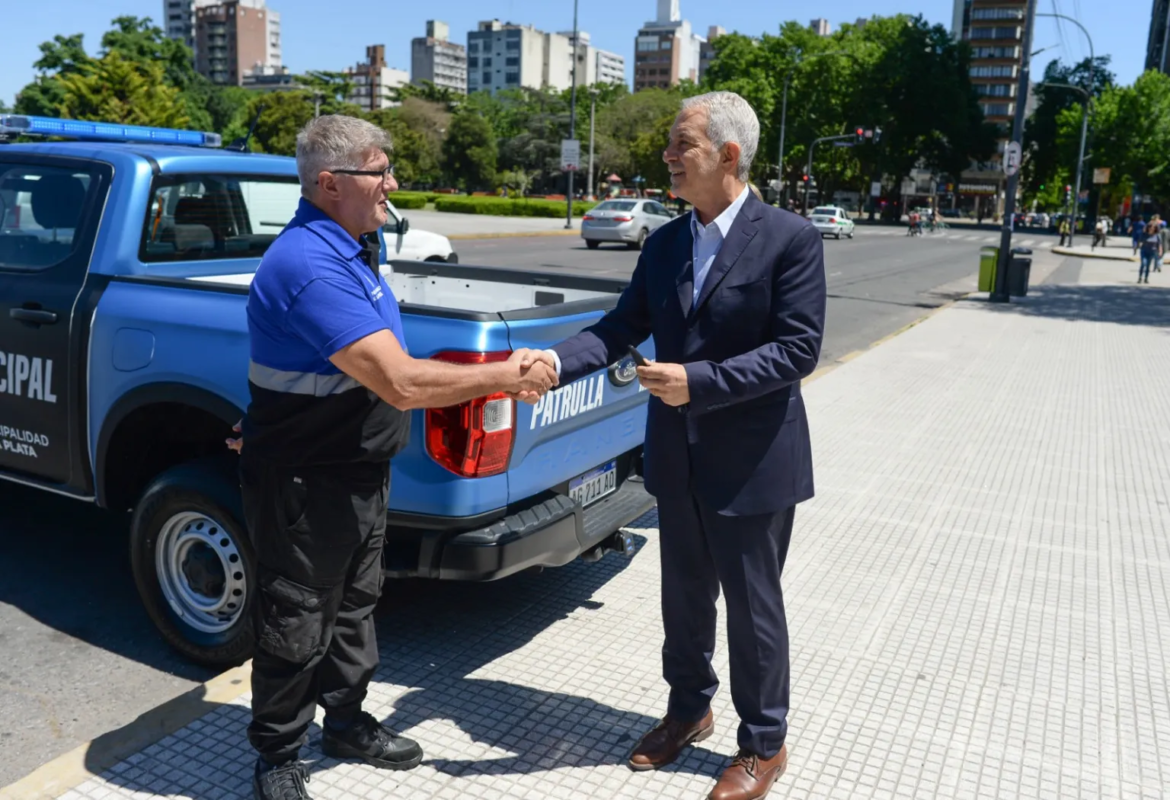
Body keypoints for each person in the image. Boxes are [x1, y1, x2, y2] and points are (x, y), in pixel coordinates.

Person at [228, 114, 557, 800]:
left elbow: (327, 364)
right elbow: (400, 382)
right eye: (379, 171)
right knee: (297, 617)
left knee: (354, 605)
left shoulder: (354, 245)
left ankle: (346, 723)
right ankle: (277, 756)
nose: (393, 183)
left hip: (356, 468)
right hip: (307, 481)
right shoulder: (310, 264)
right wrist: (505, 375)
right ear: (330, 183)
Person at [519, 91, 826, 800]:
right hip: (676, 457)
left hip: (752, 462)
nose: (667, 156)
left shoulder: (790, 239)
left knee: (753, 608)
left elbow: (797, 350)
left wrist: (698, 381)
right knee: (684, 598)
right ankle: (689, 709)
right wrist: (554, 362)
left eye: (681, 144)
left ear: (728, 153)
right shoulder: (663, 243)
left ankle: (764, 744)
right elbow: (620, 327)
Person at [1138, 219, 1159, 284]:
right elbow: (1140, 240)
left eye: (1153, 227)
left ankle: (1146, 278)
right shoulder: (1144, 234)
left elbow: (1159, 244)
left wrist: (1159, 251)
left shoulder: (1156, 235)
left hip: (1152, 252)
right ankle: (1140, 277)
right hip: (1144, 251)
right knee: (1143, 263)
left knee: (1148, 266)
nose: (1151, 229)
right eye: (1150, 227)